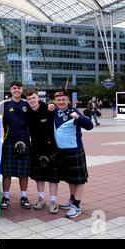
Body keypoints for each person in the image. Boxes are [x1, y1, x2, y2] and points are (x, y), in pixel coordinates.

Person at [0, 81, 32, 209]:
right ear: (11, 90)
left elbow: (40, 110)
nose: (17, 90)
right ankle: (5, 197)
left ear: (22, 90)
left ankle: (23, 196)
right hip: (9, 141)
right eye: (14, 88)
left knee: (24, 172)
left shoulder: (27, 104)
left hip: (25, 142)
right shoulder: (5, 104)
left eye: (19, 88)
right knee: (7, 172)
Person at [53, 91, 93, 219]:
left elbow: (89, 126)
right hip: (62, 151)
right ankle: (71, 200)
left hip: (75, 151)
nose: (61, 102)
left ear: (68, 100)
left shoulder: (73, 112)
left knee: (79, 179)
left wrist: (78, 117)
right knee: (70, 178)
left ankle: (77, 205)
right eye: (58, 100)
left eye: (63, 100)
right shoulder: (55, 112)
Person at [24, 89, 60, 214]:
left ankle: (53, 201)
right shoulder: (26, 111)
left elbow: (62, 108)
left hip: (51, 148)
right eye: (29, 99)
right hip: (36, 148)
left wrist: (54, 105)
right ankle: (41, 199)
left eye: (33, 98)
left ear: (38, 98)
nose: (31, 101)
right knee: (39, 177)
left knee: (52, 177)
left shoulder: (48, 108)